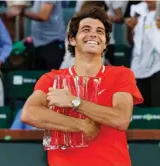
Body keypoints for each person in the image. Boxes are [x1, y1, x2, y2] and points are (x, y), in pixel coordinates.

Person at [21, 7, 143, 166]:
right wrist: (81, 125)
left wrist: (74, 102)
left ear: (105, 42)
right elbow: (29, 113)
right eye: (86, 29)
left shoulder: (121, 75)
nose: (94, 34)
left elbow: (121, 119)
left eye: (100, 31)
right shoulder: (52, 79)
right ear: (72, 39)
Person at [7, 0, 66, 70]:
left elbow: (43, 16)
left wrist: (21, 11)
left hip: (52, 45)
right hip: (37, 44)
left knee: (53, 79)